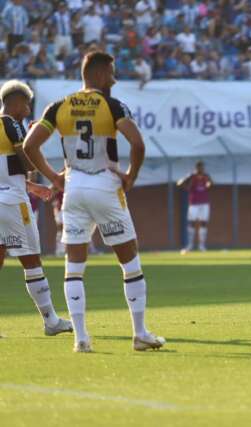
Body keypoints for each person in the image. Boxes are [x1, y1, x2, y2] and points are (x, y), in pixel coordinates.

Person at [23, 51, 165, 353]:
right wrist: (130, 176)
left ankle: (81, 338)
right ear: (100, 74)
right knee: (130, 263)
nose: (114, 79)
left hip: (73, 188)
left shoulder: (58, 107)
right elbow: (137, 143)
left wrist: (54, 177)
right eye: (111, 73)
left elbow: (29, 144)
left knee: (73, 266)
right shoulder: (112, 106)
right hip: (105, 185)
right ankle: (139, 333)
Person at [0, 79, 73, 336]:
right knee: (31, 260)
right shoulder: (10, 123)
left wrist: (31, 187)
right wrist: (29, 136)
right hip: (11, 204)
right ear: (15, 102)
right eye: (27, 103)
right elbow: (26, 162)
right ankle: (51, 320)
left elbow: (7, 170)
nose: (29, 108)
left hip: (5, 196)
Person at [177, 161, 213, 254]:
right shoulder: (191, 176)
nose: (201, 169)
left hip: (204, 203)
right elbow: (179, 183)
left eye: (202, 167)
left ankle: (202, 246)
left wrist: (209, 184)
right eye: (199, 167)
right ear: (196, 168)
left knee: (203, 223)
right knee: (192, 223)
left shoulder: (206, 176)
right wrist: (187, 186)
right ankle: (190, 245)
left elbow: (211, 184)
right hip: (193, 203)